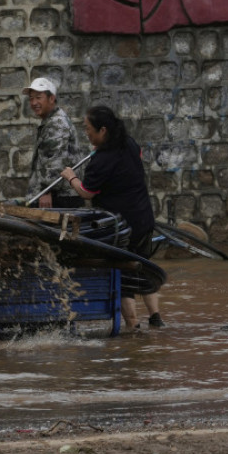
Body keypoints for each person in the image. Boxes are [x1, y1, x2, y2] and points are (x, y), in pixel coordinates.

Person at [58, 105, 165, 331]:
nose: (86, 133)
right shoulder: (130, 143)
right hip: (145, 218)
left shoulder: (101, 160)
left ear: (103, 130)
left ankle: (133, 327)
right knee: (143, 267)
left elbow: (87, 192)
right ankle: (156, 318)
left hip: (122, 227)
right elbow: (137, 157)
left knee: (123, 275)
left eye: (88, 129)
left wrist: (71, 177)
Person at [22, 77, 85, 208]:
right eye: (31, 98)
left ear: (51, 98)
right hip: (57, 195)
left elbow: (55, 161)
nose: (34, 102)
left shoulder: (56, 123)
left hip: (59, 197)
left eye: (39, 97)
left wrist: (46, 190)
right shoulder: (51, 121)